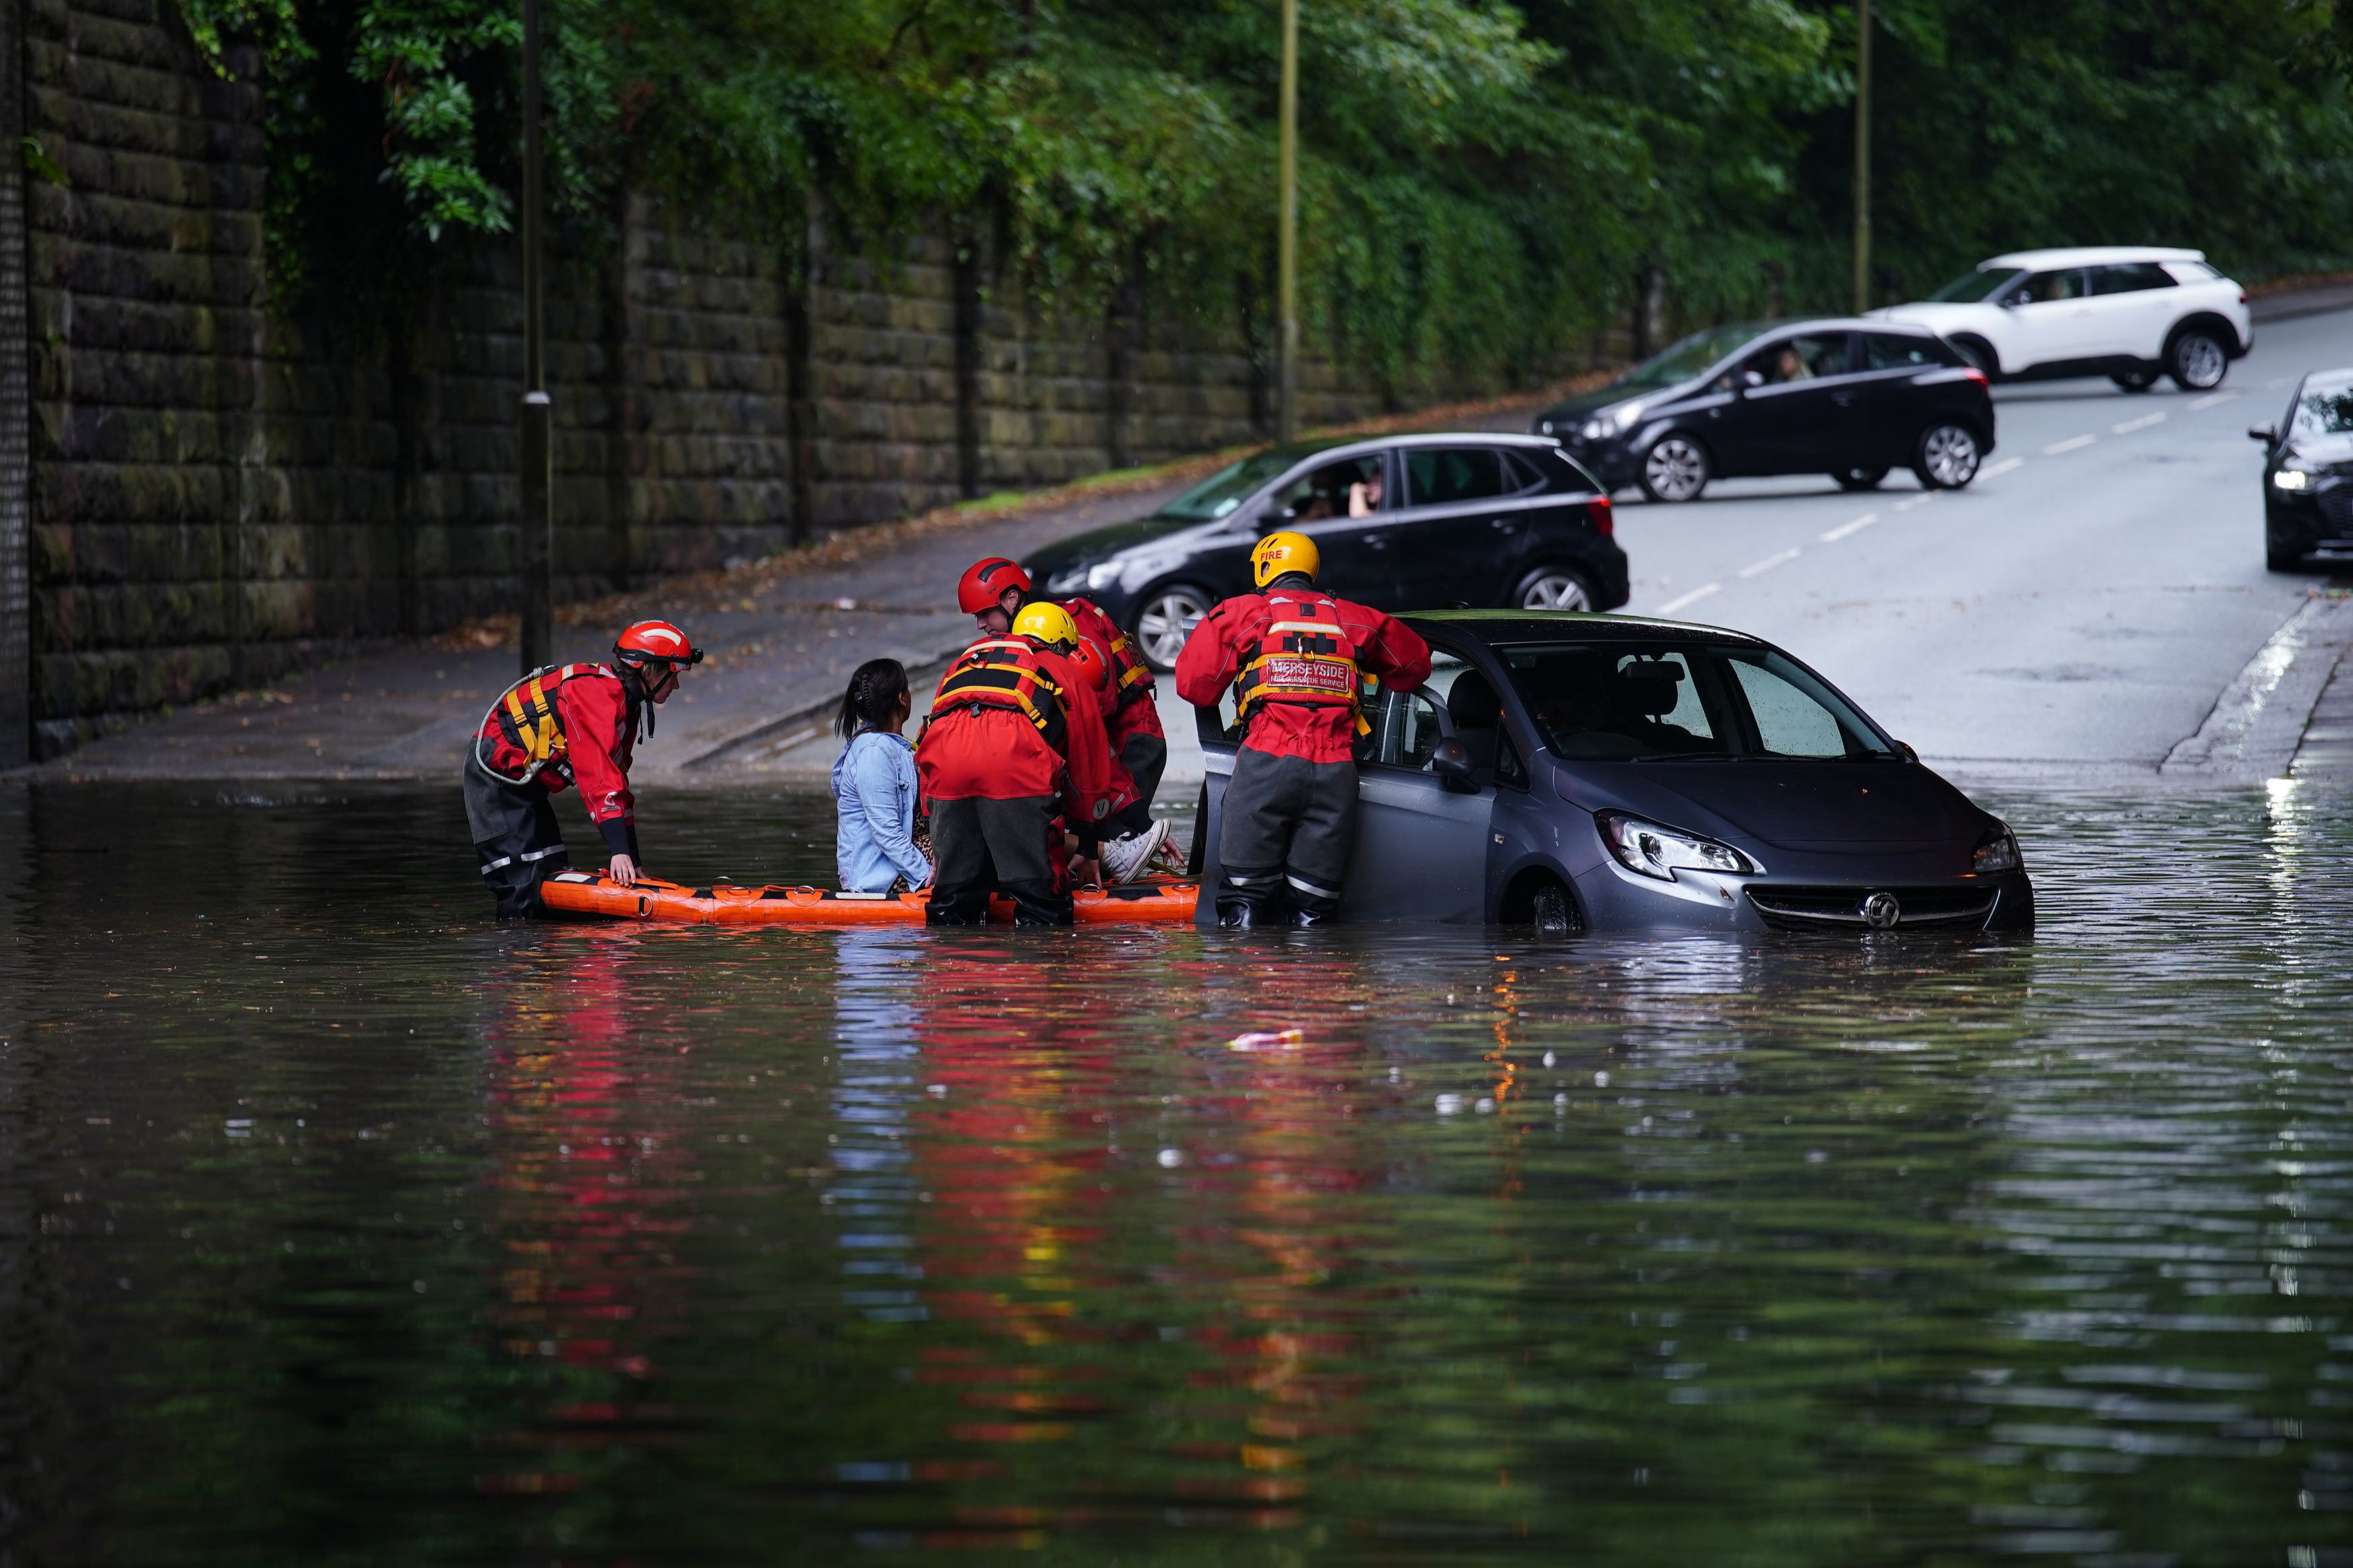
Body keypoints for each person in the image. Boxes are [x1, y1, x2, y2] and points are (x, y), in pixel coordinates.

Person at [1174, 530, 1430, 927]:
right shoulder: (1357, 618)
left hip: (1266, 764)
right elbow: (1415, 668)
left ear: (1266, 566)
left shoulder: (1244, 614)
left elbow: (1196, 688)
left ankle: (1252, 984)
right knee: (1314, 910)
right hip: (1335, 773)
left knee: (1246, 898)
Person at [464, 620, 702, 917]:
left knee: (550, 870)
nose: (677, 685)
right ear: (650, 669)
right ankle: (515, 955)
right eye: (675, 674)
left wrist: (632, 859)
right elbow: (599, 782)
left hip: (526, 787)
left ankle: (545, 957)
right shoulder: (597, 697)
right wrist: (618, 853)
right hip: (495, 775)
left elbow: (618, 789)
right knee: (521, 882)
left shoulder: (625, 705)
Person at [954, 557, 1171, 880]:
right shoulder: (1036, 633)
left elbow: (1088, 744)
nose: (981, 625)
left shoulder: (1067, 641)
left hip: (1130, 741)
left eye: (985, 613)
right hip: (1106, 742)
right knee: (1089, 832)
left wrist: (1140, 823)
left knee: (1105, 837)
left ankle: (1109, 893)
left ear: (1011, 599)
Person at [916, 600, 1125, 927]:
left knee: (955, 901)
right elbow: (1089, 764)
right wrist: (1088, 841)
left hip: (947, 777)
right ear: (1059, 643)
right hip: (1013, 768)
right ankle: (1034, 965)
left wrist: (937, 836)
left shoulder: (964, 662)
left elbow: (929, 738)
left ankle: (951, 968)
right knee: (1041, 899)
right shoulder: (1060, 668)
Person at [832, 658, 931, 894]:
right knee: (962, 848)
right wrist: (927, 878)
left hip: (900, 866)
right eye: (907, 688)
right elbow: (887, 834)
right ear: (901, 697)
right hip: (881, 878)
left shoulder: (894, 747)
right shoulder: (873, 752)